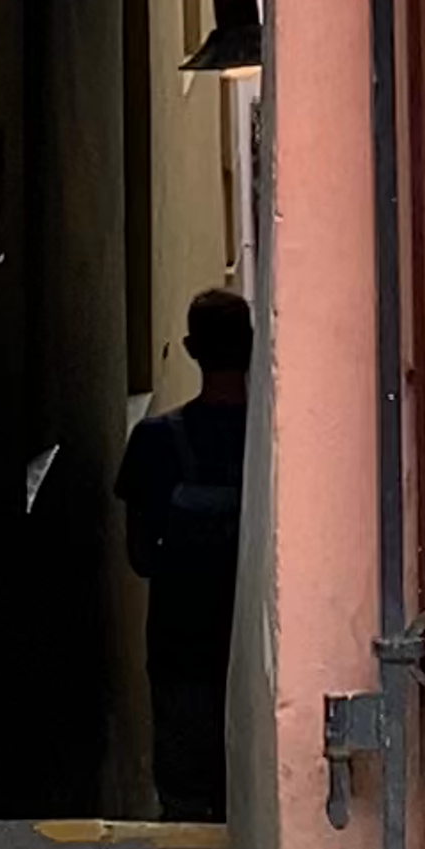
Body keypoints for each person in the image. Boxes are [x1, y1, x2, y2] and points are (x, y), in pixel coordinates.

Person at [117, 285, 252, 819]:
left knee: (187, 797)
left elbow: (140, 557)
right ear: (252, 344)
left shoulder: (153, 442)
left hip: (181, 644)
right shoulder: (275, 439)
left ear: (192, 349)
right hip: (257, 651)